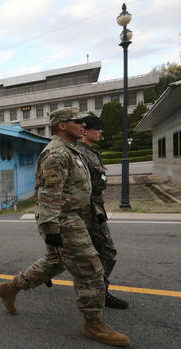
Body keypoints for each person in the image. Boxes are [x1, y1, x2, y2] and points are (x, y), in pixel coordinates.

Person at [0, 108, 130, 347]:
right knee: (91, 269)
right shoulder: (56, 154)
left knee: (54, 263)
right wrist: (52, 230)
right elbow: (48, 194)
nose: (83, 126)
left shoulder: (71, 150)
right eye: (78, 122)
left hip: (76, 217)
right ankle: (93, 324)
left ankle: (10, 288)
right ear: (63, 126)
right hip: (64, 220)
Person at [76, 115, 129, 309]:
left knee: (84, 254)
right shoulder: (79, 154)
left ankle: (98, 290)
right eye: (97, 128)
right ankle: (99, 292)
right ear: (85, 130)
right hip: (87, 209)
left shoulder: (91, 152)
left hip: (96, 206)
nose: (100, 132)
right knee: (107, 251)